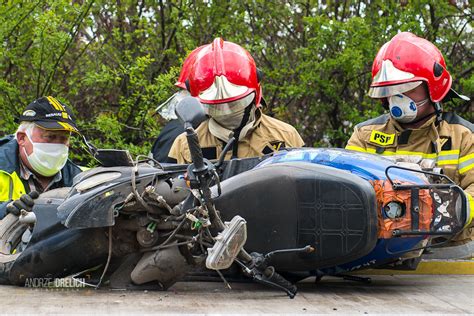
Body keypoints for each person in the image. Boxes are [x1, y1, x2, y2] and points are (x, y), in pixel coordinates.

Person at [346, 32, 473, 245]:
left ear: (432, 87)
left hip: (449, 257)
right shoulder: (364, 136)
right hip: (379, 259)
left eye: (406, 88)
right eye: (390, 90)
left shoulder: (463, 136)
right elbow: (348, 191)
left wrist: (450, 210)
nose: (397, 97)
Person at [168, 38, 304, 164]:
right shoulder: (185, 146)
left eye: (234, 104)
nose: (227, 112)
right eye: (217, 107)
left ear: (254, 94)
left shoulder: (285, 136)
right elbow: (172, 188)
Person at [0, 96, 82, 219]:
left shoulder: (79, 178)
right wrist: (5, 209)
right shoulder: (3, 168)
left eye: (64, 138)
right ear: (22, 138)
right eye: (50, 136)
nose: (58, 145)